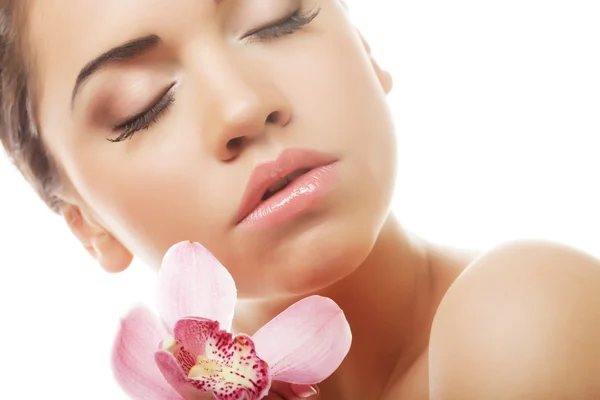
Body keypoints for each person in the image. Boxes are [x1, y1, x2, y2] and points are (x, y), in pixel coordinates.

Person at [1, 0, 599, 399]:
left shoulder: (523, 314)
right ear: (87, 226)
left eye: (276, 18)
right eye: (144, 105)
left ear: (364, 46)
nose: (243, 105)